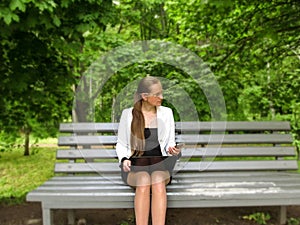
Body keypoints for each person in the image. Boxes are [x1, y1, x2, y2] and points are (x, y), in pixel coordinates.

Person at [116, 76, 181, 225]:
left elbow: (169, 143)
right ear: (145, 96)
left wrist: (172, 150)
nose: (161, 97)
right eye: (157, 94)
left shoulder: (167, 113)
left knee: (158, 181)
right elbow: (121, 144)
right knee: (144, 180)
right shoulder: (128, 114)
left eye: (162, 93)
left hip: (159, 166)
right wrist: (124, 159)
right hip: (136, 168)